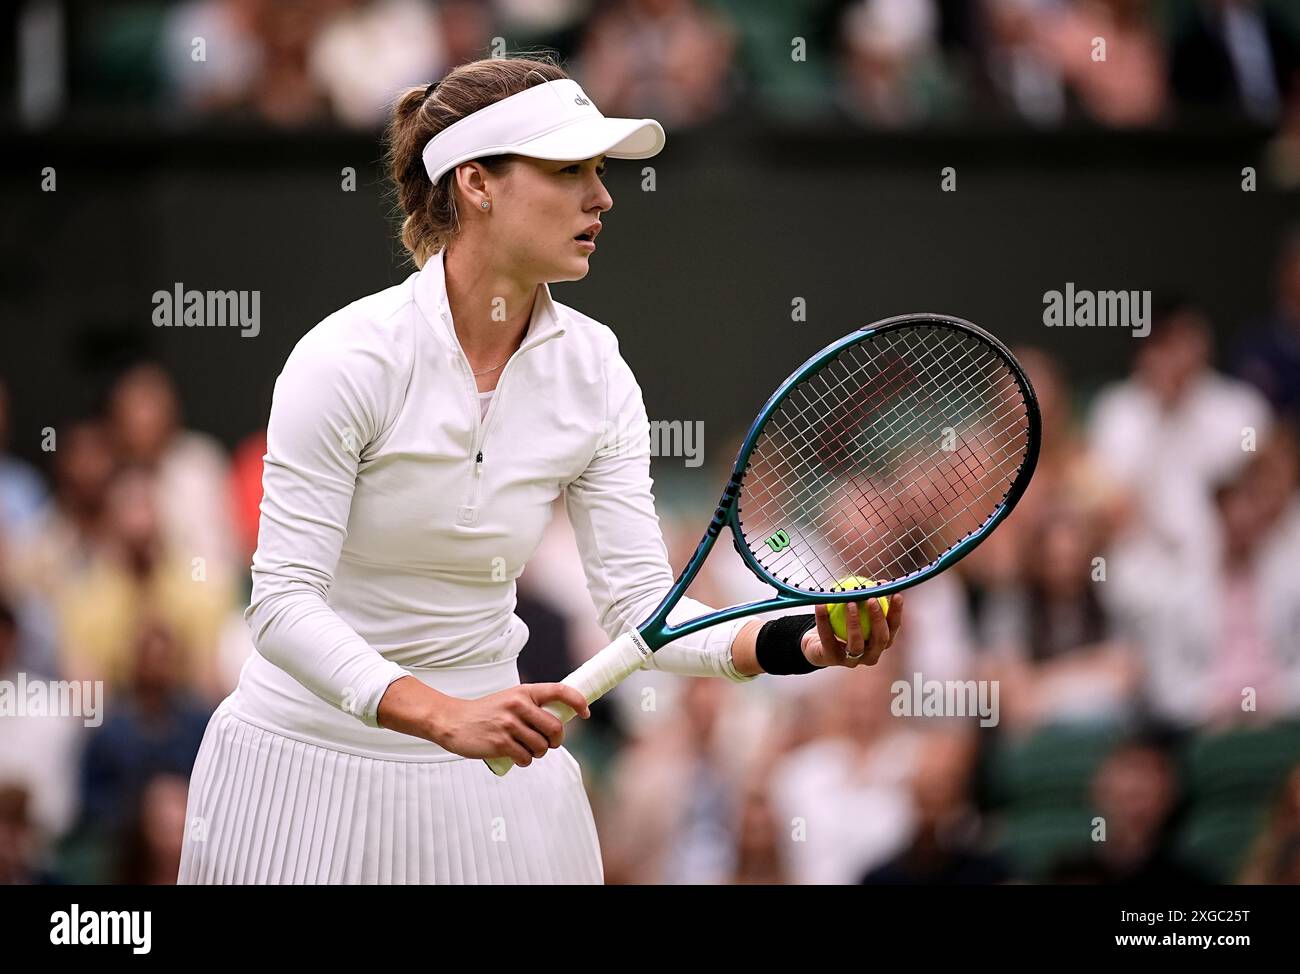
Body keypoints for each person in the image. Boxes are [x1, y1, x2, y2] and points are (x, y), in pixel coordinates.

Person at [178, 54, 903, 886]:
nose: (603, 197)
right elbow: (279, 605)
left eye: (600, 171)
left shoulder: (596, 371)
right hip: (300, 776)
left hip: (491, 781)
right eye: (570, 170)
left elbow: (641, 610)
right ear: (476, 183)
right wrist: (443, 716)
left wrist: (799, 641)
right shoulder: (345, 360)